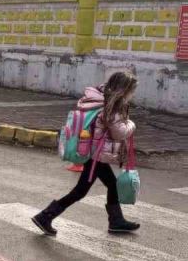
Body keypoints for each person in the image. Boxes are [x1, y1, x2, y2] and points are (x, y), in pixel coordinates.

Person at [32, 71, 140, 236]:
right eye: (131, 90)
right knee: (80, 190)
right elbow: (119, 132)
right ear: (123, 90)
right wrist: (131, 124)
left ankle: (116, 221)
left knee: (112, 184)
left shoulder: (101, 98)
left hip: (94, 154)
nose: (132, 94)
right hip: (95, 156)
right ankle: (45, 216)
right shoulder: (111, 106)